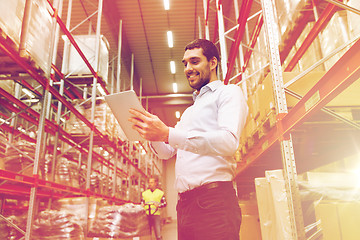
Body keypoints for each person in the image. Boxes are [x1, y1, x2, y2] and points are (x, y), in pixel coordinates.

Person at [129, 39, 248, 240]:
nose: (188, 68)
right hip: (185, 206)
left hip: (214, 202)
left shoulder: (228, 93)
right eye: (185, 63)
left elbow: (228, 141)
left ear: (213, 63)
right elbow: (167, 153)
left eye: (194, 61)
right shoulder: (189, 112)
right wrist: (149, 132)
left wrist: (167, 133)